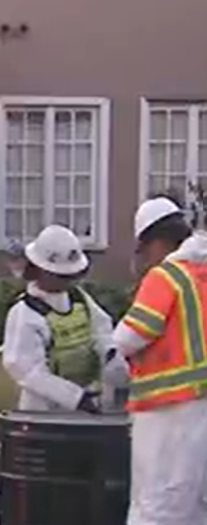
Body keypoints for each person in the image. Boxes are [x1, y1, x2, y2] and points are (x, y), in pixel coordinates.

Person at [112, 196, 207, 525]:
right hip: (199, 410)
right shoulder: (201, 275)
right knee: (193, 505)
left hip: (167, 413)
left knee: (156, 505)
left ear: (155, 242)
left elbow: (132, 335)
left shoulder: (164, 277)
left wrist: (110, 349)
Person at [0, 224, 125, 412]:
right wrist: (75, 398)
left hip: (88, 407)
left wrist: (110, 356)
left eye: (71, 275)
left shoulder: (79, 299)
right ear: (39, 270)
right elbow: (26, 370)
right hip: (43, 414)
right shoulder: (25, 313)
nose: (68, 281)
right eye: (61, 275)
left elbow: (102, 329)